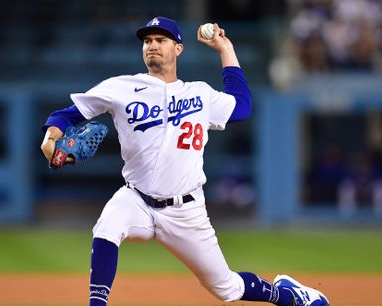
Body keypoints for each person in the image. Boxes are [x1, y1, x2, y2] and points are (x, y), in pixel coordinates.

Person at [40, 16, 329, 306]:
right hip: (137, 198)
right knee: (107, 227)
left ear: (178, 48)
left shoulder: (200, 94)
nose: (152, 45)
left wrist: (225, 48)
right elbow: (68, 114)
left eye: (161, 40)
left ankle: (286, 295)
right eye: (148, 40)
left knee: (226, 288)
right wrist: (51, 137)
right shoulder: (121, 88)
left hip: (186, 211)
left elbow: (242, 106)